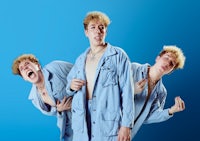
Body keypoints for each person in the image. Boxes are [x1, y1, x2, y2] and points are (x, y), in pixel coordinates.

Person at [65, 11, 134, 141]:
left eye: (101, 27)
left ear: (106, 32)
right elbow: (69, 86)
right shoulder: (81, 59)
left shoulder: (118, 56)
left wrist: (126, 125)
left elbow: (127, 91)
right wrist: (71, 86)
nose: (98, 31)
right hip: (83, 118)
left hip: (107, 118)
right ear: (86, 32)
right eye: (93, 27)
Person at [12, 54, 73, 141]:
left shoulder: (55, 67)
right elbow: (52, 112)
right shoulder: (35, 98)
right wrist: (59, 109)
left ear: (38, 65)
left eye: (27, 64)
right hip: (70, 129)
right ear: (24, 78)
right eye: (21, 69)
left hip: (89, 113)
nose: (25, 68)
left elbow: (81, 71)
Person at [131, 45, 186, 140]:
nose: (167, 63)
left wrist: (171, 111)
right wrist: (131, 90)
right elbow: (109, 91)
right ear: (158, 58)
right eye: (166, 57)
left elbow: (148, 117)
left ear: (170, 71)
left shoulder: (162, 92)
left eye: (172, 63)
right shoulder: (134, 68)